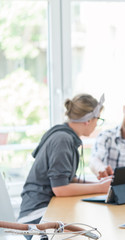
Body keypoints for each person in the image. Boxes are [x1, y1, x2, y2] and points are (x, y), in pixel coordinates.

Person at [17, 93, 112, 239]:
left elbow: (68, 180)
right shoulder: (62, 139)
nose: (96, 124)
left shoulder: (66, 136)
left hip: (46, 209)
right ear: (88, 120)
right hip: (36, 216)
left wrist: (100, 184)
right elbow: (60, 188)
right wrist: (100, 188)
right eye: (98, 119)